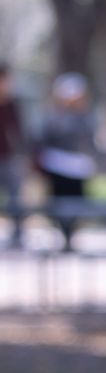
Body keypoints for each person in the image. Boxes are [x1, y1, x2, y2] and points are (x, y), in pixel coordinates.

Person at [34, 72, 97, 250]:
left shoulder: (86, 117)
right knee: (59, 204)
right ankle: (63, 234)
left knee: (77, 203)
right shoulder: (54, 116)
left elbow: (89, 140)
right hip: (57, 166)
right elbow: (45, 139)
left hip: (78, 167)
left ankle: (71, 235)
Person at [0, 65, 25, 248]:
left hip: (7, 158)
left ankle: (17, 234)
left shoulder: (12, 104)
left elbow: (18, 133)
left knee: (15, 197)